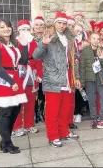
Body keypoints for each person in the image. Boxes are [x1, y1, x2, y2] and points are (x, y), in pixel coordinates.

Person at [33, 11, 80, 147]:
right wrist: (44, 44)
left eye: (64, 23)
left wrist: (75, 77)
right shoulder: (48, 36)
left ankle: (64, 131)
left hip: (67, 77)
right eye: (59, 22)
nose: (62, 25)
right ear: (55, 22)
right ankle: (53, 136)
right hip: (53, 78)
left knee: (65, 108)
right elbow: (36, 56)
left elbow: (74, 60)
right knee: (53, 110)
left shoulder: (69, 38)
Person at [0, 18, 29, 154]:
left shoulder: (13, 44)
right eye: (2, 27)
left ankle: (5, 141)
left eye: (8, 26)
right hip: (4, 81)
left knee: (15, 111)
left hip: (15, 79)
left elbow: (23, 61)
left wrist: (25, 45)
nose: (6, 29)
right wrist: (12, 83)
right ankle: (7, 142)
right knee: (5, 113)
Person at [12, 20, 40, 136]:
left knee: (30, 101)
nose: (25, 32)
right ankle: (17, 126)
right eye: (23, 29)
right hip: (19, 74)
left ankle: (29, 124)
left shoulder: (33, 43)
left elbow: (38, 60)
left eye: (27, 29)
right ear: (19, 31)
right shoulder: (14, 43)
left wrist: (39, 75)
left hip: (31, 74)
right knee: (18, 101)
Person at [79, 32, 103, 129]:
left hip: (100, 77)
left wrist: (102, 59)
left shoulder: (102, 50)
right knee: (92, 99)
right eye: (94, 38)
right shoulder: (85, 51)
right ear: (90, 39)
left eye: (97, 39)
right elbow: (82, 67)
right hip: (90, 78)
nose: (96, 40)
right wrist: (82, 82)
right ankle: (93, 118)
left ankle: (102, 118)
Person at [32, 16, 46, 124]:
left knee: (42, 91)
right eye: (37, 25)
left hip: (45, 68)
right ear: (33, 27)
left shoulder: (46, 38)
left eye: (41, 25)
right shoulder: (30, 38)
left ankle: (41, 112)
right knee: (33, 91)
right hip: (33, 68)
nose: (39, 27)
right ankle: (34, 113)